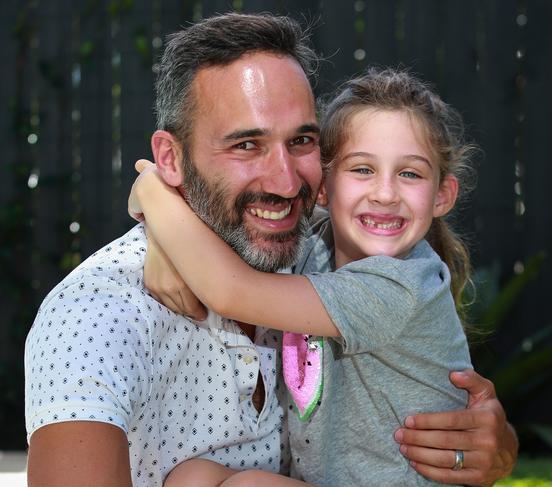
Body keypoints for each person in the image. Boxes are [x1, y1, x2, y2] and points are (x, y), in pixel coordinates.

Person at [24, 12, 517, 487]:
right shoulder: (97, 316)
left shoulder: (318, 250)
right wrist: (154, 200)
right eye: (246, 145)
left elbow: (231, 289)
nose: (285, 182)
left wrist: (496, 443)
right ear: (170, 158)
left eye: (301, 140)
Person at [129, 67, 476, 486]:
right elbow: (220, 220)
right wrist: (161, 244)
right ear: (323, 187)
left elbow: (230, 290)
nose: (385, 193)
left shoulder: (400, 286)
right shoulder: (318, 237)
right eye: (362, 170)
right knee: (193, 477)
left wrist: (151, 191)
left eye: (410, 174)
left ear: (442, 195)